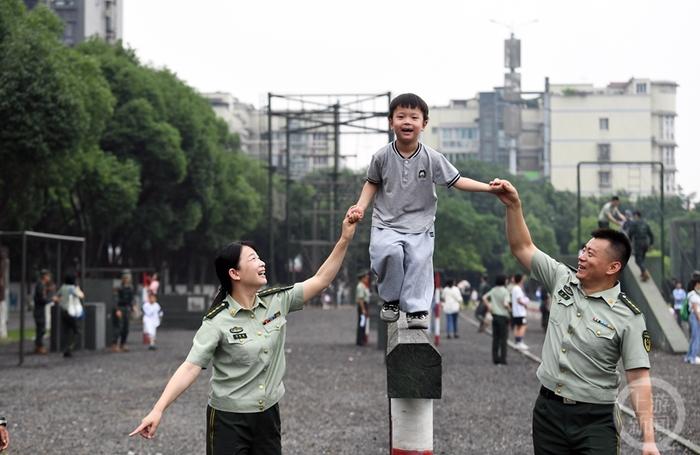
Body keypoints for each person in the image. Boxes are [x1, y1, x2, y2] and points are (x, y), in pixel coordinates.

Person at [130, 215, 357, 453]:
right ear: (235, 273)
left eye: (259, 257)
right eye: (253, 259)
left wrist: (344, 238)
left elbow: (320, 280)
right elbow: (191, 367)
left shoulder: (277, 301)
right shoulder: (217, 320)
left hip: (268, 415)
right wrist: (158, 409)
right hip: (228, 419)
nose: (262, 263)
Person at [491, 178, 659, 455]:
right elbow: (523, 247)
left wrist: (649, 439)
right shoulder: (561, 279)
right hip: (548, 413)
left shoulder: (629, 317)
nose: (581, 256)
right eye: (584, 249)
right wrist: (513, 206)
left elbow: (639, 379)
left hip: (595, 420)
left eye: (590, 253)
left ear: (612, 266)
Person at [346, 93, 497, 329]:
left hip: (421, 224)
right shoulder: (382, 156)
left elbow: (457, 180)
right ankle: (392, 300)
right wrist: (360, 207)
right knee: (389, 253)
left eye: (414, 117)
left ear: (424, 124)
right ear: (391, 122)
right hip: (387, 222)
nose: (407, 121)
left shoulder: (433, 158)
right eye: (401, 116)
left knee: (418, 261)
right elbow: (372, 183)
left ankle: (416, 308)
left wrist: (489, 188)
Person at [482, 275, 510, 365]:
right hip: (503, 317)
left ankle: (495, 358)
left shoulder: (493, 290)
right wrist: (510, 309)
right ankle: (503, 359)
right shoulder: (505, 291)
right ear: (504, 281)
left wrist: (489, 306)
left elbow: (484, 297)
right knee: (503, 339)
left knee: (495, 338)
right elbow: (506, 304)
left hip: (495, 316)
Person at [56, 273, 85, 358]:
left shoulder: (63, 287)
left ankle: (65, 348)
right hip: (71, 312)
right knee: (77, 331)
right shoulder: (72, 288)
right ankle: (69, 348)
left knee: (66, 331)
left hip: (63, 311)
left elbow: (57, 296)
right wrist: (78, 288)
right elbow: (82, 295)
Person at [33, 269, 56, 354]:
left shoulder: (42, 285)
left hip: (39, 310)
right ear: (45, 276)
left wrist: (49, 290)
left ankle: (38, 346)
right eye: (48, 276)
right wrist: (51, 299)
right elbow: (42, 299)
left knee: (40, 328)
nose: (49, 278)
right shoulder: (40, 285)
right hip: (39, 310)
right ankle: (39, 346)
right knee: (41, 329)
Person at [111, 272, 135, 353]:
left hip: (126, 308)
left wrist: (133, 307)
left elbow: (131, 300)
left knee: (126, 328)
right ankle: (114, 344)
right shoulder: (119, 289)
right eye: (126, 278)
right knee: (119, 327)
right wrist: (117, 309)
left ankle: (122, 344)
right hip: (120, 308)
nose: (127, 280)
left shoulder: (130, 289)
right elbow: (116, 299)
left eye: (128, 278)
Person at [627, 211, 654, 281]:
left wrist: (629, 240)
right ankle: (643, 274)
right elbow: (651, 235)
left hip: (638, 243)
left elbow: (630, 233)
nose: (633, 218)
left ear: (636, 215)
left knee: (637, 260)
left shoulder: (634, 223)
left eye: (633, 216)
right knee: (642, 259)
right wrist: (651, 244)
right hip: (645, 243)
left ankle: (645, 273)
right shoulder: (645, 223)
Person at [511, 274, 529, 350]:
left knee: (518, 327)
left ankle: (517, 342)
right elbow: (519, 300)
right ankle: (520, 342)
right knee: (523, 326)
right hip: (520, 312)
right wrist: (525, 303)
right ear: (520, 280)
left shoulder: (514, 288)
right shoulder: (518, 289)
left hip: (516, 312)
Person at [684, 278, 700, 364]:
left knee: (694, 337)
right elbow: (695, 309)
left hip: (694, 316)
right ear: (697, 284)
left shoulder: (693, 294)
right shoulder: (694, 295)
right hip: (695, 316)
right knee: (696, 337)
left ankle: (688, 357)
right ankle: (693, 357)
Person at [355, 271, 371, 346]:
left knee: (363, 323)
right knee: (362, 323)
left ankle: (361, 339)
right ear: (362, 278)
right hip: (363, 307)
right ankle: (360, 340)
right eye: (366, 278)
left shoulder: (363, 286)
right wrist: (363, 309)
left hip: (364, 306)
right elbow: (360, 299)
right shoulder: (361, 286)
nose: (367, 279)